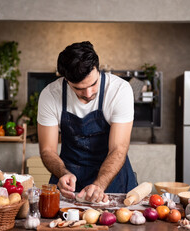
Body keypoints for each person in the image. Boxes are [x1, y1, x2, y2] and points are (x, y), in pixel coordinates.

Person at [37, 41, 137, 203]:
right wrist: (63, 174)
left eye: (93, 84)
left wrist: (99, 184)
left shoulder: (119, 90)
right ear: (66, 79)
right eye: (79, 88)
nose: (88, 93)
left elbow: (118, 148)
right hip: (69, 178)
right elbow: (47, 150)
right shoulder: (50, 95)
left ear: (98, 69)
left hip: (112, 180)